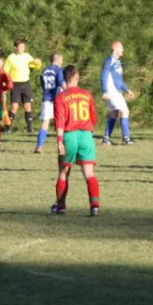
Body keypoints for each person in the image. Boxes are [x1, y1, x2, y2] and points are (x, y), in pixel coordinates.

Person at [51, 65, 101, 216]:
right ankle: (94, 206)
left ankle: (60, 206)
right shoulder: (87, 94)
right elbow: (94, 118)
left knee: (64, 172)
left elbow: (59, 121)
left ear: (65, 78)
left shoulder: (60, 97)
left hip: (69, 136)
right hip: (86, 135)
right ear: (77, 77)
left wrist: (60, 141)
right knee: (89, 173)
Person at [3, 38, 42, 133]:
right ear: (15, 47)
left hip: (25, 83)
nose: (22, 48)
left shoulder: (27, 56)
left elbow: (35, 66)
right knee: (14, 107)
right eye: (20, 47)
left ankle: (30, 129)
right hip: (15, 84)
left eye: (23, 46)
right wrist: (4, 84)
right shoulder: (11, 58)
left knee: (28, 106)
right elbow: (6, 72)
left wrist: (38, 62)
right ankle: (7, 128)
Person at [101, 41, 136, 145]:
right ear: (116, 49)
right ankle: (126, 139)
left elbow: (119, 80)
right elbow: (103, 75)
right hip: (112, 91)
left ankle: (106, 139)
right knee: (125, 111)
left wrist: (127, 90)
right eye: (121, 48)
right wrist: (105, 91)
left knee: (115, 113)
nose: (123, 50)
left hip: (116, 91)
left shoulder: (118, 62)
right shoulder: (109, 61)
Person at [34, 53, 67, 154]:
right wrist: (68, 91)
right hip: (57, 99)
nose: (62, 62)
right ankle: (61, 146)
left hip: (46, 98)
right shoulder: (58, 70)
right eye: (61, 60)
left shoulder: (44, 70)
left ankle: (39, 146)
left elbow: (42, 84)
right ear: (57, 59)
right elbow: (61, 81)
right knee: (61, 122)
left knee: (45, 122)